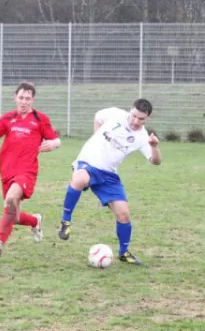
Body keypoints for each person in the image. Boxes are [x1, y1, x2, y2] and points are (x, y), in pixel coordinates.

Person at [0, 81, 61, 259]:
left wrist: (54, 143)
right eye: (21, 98)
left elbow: (55, 139)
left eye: (28, 99)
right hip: (6, 171)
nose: (24, 102)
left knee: (11, 198)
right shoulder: (7, 118)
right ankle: (35, 221)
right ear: (15, 97)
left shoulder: (40, 119)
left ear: (33, 100)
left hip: (27, 171)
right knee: (12, 216)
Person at [57, 99, 161, 265]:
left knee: (124, 214)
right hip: (89, 163)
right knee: (79, 179)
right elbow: (98, 117)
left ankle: (123, 252)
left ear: (147, 118)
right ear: (130, 110)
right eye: (134, 116)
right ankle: (65, 222)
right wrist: (96, 138)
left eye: (140, 119)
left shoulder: (142, 137)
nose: (135, 121)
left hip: (109, 175)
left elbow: (155, 161)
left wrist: (154, 146)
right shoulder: (115, 114)